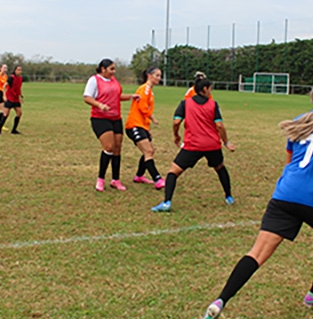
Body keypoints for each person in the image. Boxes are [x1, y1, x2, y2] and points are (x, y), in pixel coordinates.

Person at [197, 79, 313, 319]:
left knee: (257, 253)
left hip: (285, 194)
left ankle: (220, 301)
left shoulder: (300, 121)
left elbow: (289, 162)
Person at [151, 78, 235, 212]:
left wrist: (176, 135)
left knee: (173, 172)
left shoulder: (185, 103)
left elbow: (176, 122)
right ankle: (229, 197)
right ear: (206, 89)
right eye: (210, 89)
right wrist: (226, 142)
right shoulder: (213, 104)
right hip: (212, 145)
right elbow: (219, 125)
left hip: (192, 145)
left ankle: (167, 202)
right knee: (220, 168)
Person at [83, 59, 139, 191]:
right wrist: (100, 105)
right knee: (109, 147)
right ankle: (100, 179)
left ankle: (115, 180)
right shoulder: (94, 80)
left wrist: (131, 96)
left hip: (116, 118)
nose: (114, 71)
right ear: (103, 69)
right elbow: (87, 97)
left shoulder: (114, 81)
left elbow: (116, 96)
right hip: (100, 118)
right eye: (111, 69)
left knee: (117, 148)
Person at [125, 66, 166, 189]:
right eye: (157, 75)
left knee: (149, 151)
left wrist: (147, 128)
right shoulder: (145, 89)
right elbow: (143, 108)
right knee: (148, 151)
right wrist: (152, 118)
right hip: (134, 125)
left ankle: (139, 176)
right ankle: (157, 179)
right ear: (149, 75)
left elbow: (144, 110)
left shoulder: (149, 90)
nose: (159, 78)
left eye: (160, 75)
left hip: (142, 125)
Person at [0, 64, 24, 135]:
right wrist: (4, 96)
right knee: (6, 114)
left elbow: (19, 88)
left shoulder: (20, 78)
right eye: (18, 70)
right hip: (10, 98)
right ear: (15, 70)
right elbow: (4, 86)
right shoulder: (11, 78)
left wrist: (21, 96)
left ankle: (14, 130)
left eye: (20, 70)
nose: (20, 71)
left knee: (19, 113)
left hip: (16, 98)